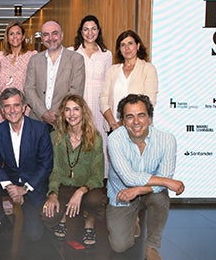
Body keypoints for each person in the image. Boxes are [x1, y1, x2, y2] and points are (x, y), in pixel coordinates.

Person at [106, 94, 185, 260]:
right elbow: (128, 177)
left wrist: (138, 190)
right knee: (119, 246)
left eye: (141, 115)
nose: (136, 121)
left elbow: (162, 176)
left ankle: (152, 247)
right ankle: (134, 219)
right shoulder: (114, 139)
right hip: (121, 194)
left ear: (150, 118)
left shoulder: (167, 140)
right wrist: (166, 181)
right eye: (129, 116)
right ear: (123, 121)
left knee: (161, 198)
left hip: (144, 193)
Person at [0, 87, 53, 242]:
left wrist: (25, 189)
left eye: (16, 105)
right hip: (11, 180)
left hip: (33, 183)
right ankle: (2, 220)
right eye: (7, 106)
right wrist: (10, 187)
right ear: (1, 110)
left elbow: (46, 165)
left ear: (24, 107)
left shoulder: (40, 129)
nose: (12, 110)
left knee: (34, 236)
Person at [42, 95, 107, 247]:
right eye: (67, 110)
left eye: (76, 109)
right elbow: (55, 169)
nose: (72, 114)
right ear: (62, 114)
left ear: (83, 112)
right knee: (47, 215)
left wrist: (80, 192)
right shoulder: (55, 137)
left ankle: (89, 224)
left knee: (95, 200)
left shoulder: (95, 138)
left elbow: (98, 175)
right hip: (64, 186)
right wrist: (52, 194)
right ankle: (62, 218)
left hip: (87, 189)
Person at [25, 20, 85, 128]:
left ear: (62, 35)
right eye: (46, 35)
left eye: (55, 33)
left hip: (64, 121)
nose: (50, 38)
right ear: (42, 38)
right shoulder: (34, 60)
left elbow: (76, 90)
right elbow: (29, 89)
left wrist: (57, 114)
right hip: (37, 120)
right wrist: (43, 113)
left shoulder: (76, 59)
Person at [71, 15, 112, 176]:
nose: (90, 32)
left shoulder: (106, 54)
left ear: (98, 31)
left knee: (98, 139)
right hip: (79, 100)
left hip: (99, 102)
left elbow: (108, 82)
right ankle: (78, 176)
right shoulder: (73, 52)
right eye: (86, 29)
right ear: (81, 32)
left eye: (93, 29)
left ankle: (100, 178)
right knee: (78, 137)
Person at [100, 30, 158, 132]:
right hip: (113, 129)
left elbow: (149, 101)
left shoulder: (148, 69)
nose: (127, 48)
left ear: (138, 46)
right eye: (123, 45)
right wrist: (113, 124)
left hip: (138, 128)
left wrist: (122, 123)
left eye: (130, 43)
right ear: (120, 49)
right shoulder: (112, 70)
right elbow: (103, 98)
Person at [0, 21, 37, 125]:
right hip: (3, 104)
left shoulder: (32, 56)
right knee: (3, 135)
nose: (15, 37)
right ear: (7, 38)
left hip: (22, 104)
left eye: (18, 33)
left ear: (23, 36)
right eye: (11, 34)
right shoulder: (0, 57)